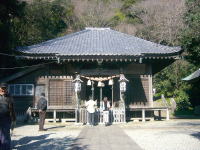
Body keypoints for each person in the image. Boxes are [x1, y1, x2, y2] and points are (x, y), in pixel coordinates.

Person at [0, 83, 16, 150]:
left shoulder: (10, 97)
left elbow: (12, 108)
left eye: (5, 88)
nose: (3, 90)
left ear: (7, 89)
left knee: (6, 134)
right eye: (2, 88)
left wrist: (14, 119)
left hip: (6, 118)